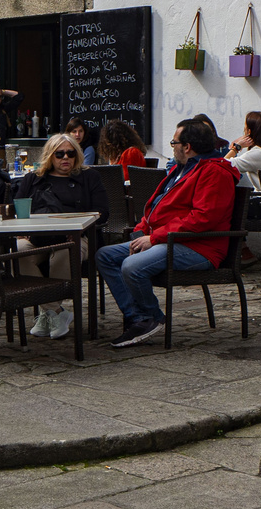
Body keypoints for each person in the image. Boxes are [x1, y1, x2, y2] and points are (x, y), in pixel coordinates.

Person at [96, 119, 237, 347]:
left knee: (132, 266)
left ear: (187, 146)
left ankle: (151, 317)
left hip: (199, 247)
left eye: (174, 142)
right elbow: (161, 208)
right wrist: (142, 228)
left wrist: (154, 238)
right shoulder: (183, 168)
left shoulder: (214, 172)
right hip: (171, 239)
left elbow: (203, 219)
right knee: (105, 255)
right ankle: (138, 318)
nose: (172, 147)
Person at [14, 133, 108, 340]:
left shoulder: (88, 177)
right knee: (18, 253)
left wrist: (78, 227)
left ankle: (48, 312)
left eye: (70, 153)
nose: (65, 158)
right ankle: (55, 312)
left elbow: (102, 211)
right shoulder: (33, 179)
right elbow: (18, 208)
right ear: (50, 155)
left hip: (77, 237)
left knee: (66, 252)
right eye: (59, 154)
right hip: (38, 238)